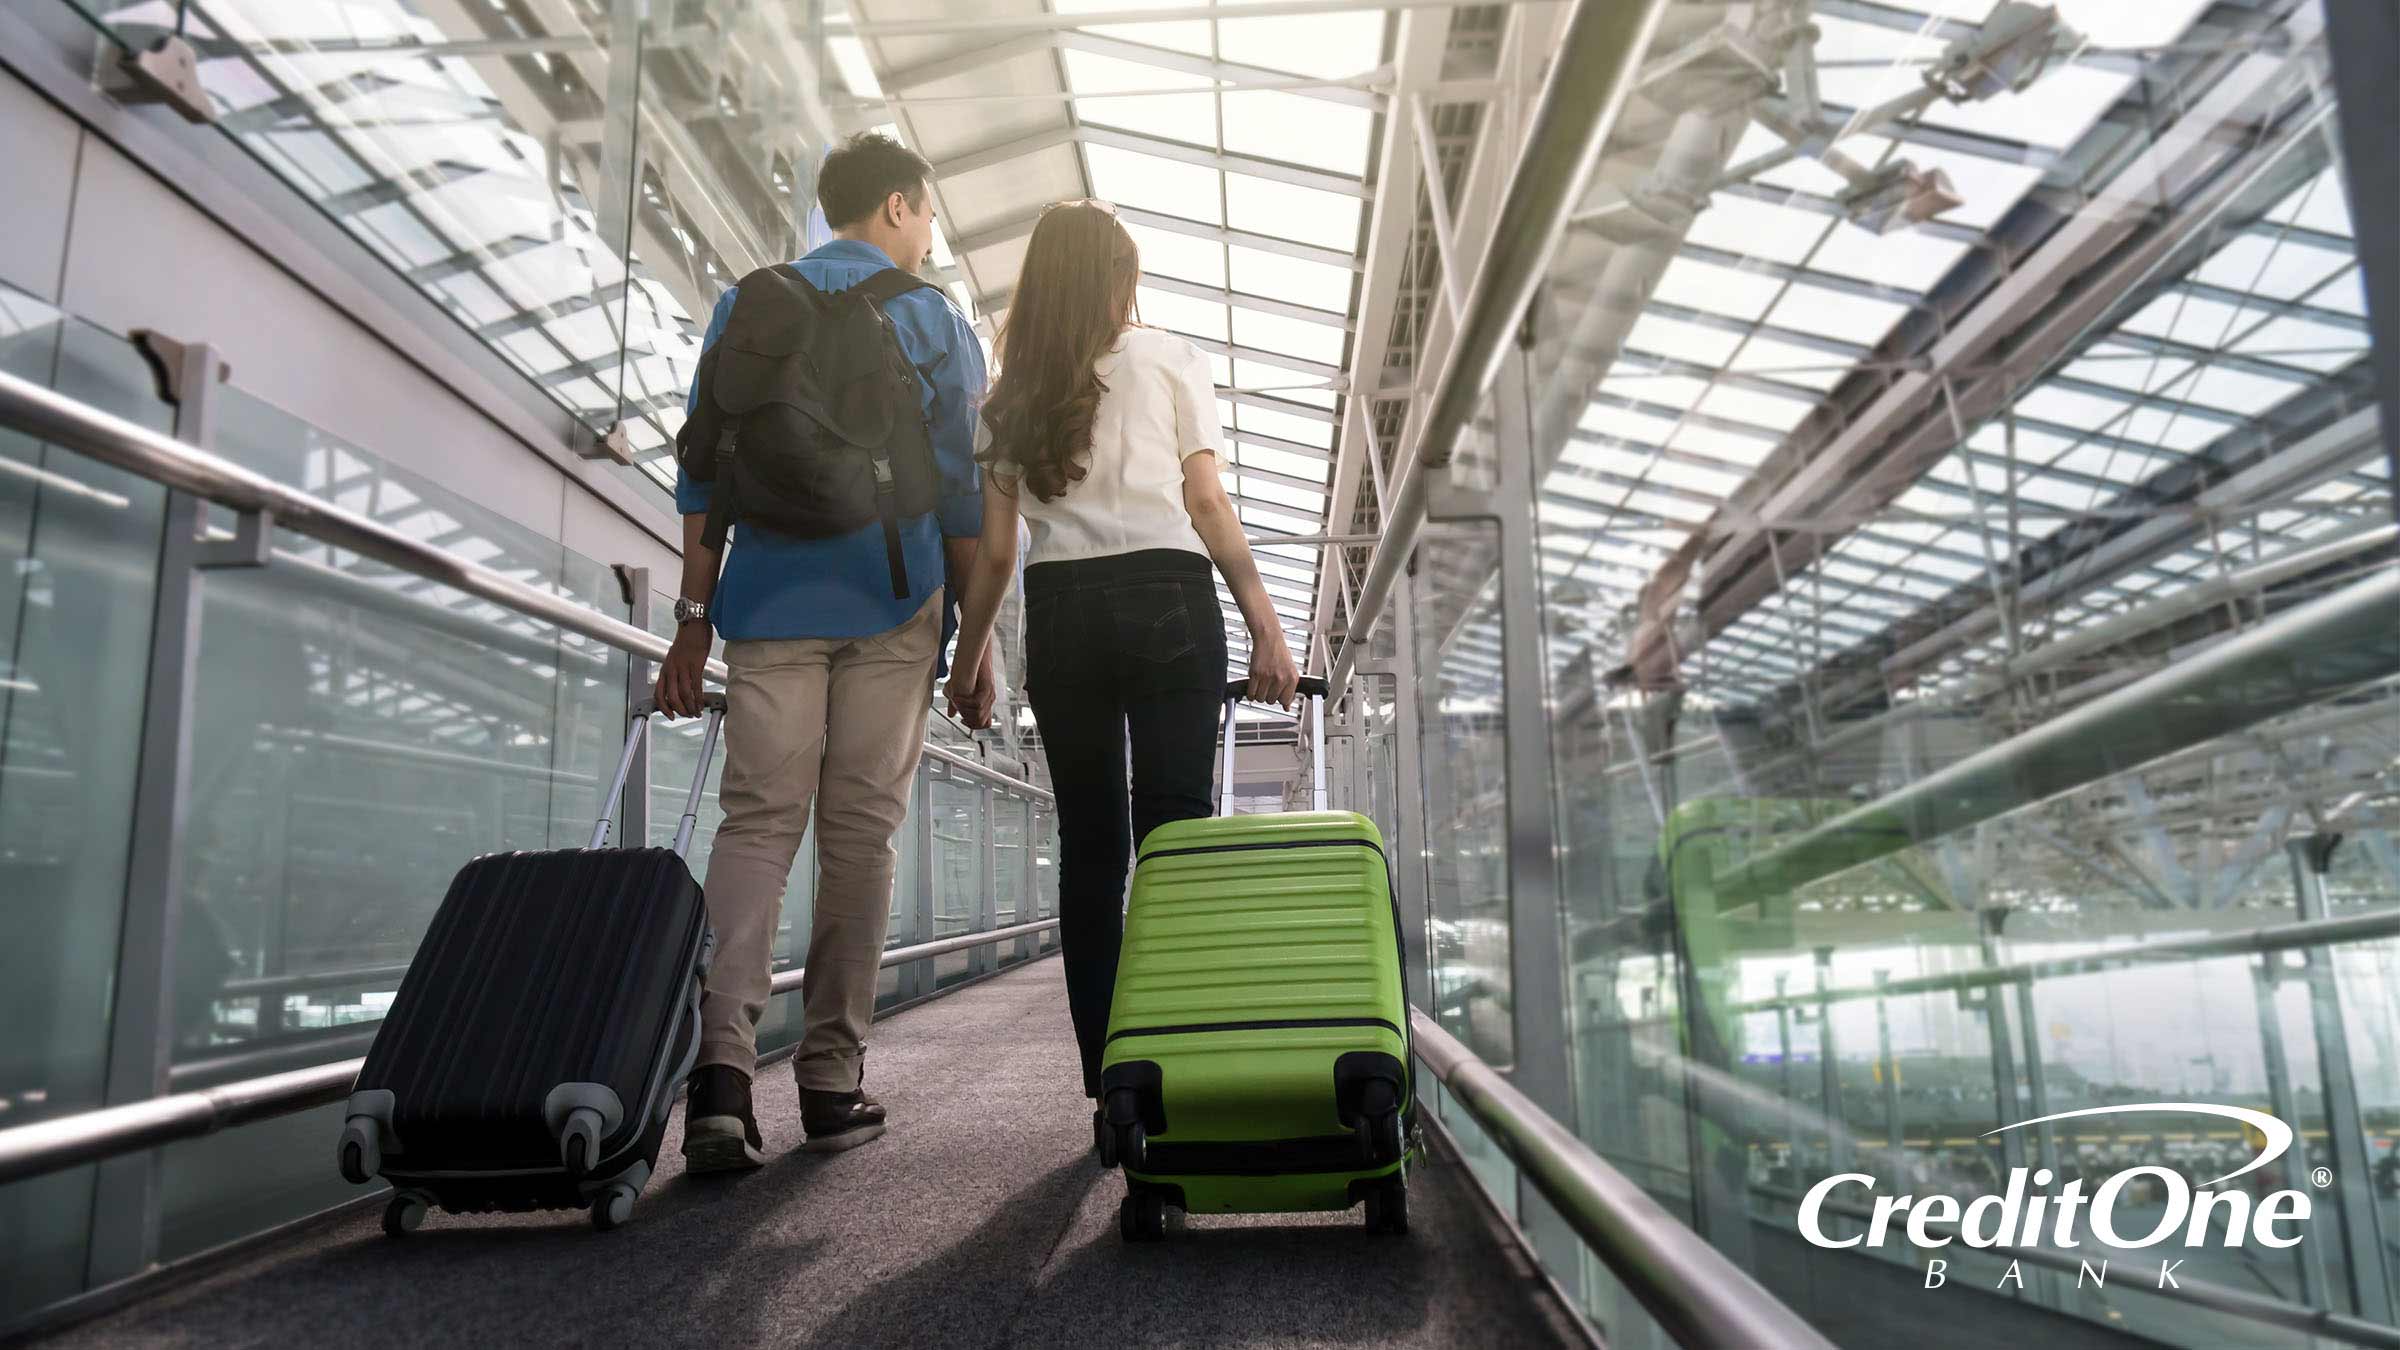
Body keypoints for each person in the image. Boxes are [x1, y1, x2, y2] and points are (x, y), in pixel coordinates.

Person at [654, 132, 991, 1168]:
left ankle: (720, 1074)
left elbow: (703, 471)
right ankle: (832, 1076)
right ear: (895, 207)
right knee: (860, 835)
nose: (929, 234)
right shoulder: (930, 317)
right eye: (926, 214)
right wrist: (974, 638)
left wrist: (692, 619)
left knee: (756, 826)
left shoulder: (748, 301)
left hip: (764, 599)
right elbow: (963, 490)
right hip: (893, 600)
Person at [942, 200, 1299, 1113]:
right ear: (1118, 280)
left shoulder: (1006, 397)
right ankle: (1175, 1052)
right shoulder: (1169, 357)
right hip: (1170, 596)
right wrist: (1264, 621)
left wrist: (969, 658)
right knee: (1173, 835)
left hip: (1062, 611)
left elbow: (995, 554)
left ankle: (1111, 1082)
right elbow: (1208, 505)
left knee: (1092, 851)